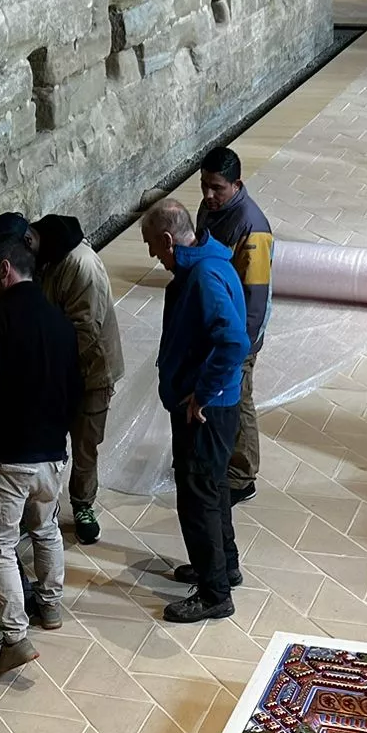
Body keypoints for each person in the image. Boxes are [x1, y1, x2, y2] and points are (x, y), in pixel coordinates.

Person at [0, 215, 83, 677]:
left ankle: (14, 638)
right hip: (52, 455)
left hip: (9, 457)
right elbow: (74, 387)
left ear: (6, 269)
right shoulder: (59, 320)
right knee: (46, 528)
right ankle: (51, 607)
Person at [143, 198, 247, 624]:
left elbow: (233, 342)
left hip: (204, 411)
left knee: (197, 499)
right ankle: (223, 566)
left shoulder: (203, 275)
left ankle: (213, 594)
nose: (153, 255)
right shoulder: (207, 263)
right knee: (214, 488)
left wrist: (202, 393)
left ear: (169, 239)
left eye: (153, 246)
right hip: (213, 407)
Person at [29, 213, 124, 546]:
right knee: (49, 440)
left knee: (85, 443)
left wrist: (49, 371)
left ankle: (83, 505)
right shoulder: (48, 258)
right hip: (59, 368)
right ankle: (43, 505)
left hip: (92, 372)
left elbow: (84, 331)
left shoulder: (81, 266)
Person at [197, 146, 273, 507]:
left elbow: (255, 297)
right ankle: (220, 456)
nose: (208, 196)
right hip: (213, 328)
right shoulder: (210, 210)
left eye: (217, 188)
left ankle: (242, 476)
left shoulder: (252, 227)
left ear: (237, 184)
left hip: (238, 335)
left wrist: (242, 345)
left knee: (239, 399)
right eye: (204, 186)